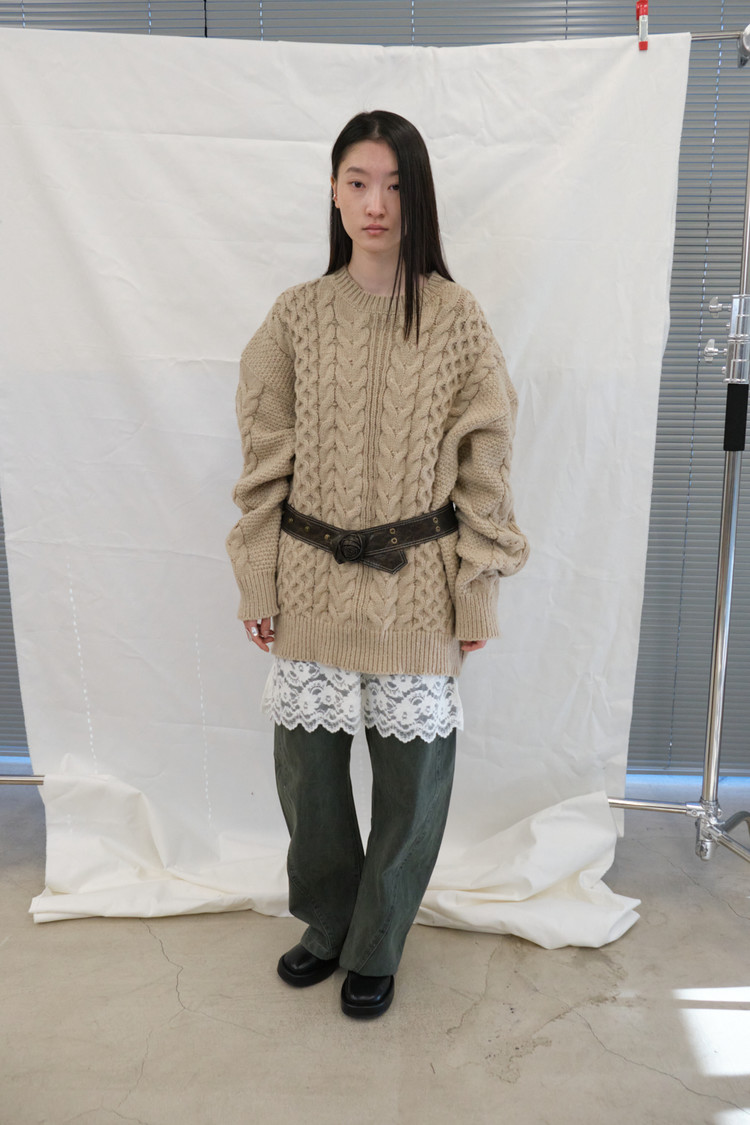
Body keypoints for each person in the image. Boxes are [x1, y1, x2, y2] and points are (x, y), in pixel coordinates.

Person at [225, 109, 529, 1020]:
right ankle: (328, 923)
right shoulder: (295, 316)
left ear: (418, 196)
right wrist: (258, 576)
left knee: (414, 784)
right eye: (358, 182)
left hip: (417, 586)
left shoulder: (456, 318)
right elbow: (263, 457)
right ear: (333, 190)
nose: (376, 204)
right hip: (309, 575)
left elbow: (486, 461)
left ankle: (377, 941)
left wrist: (474, 593)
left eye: (395, 185)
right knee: (308, 779)